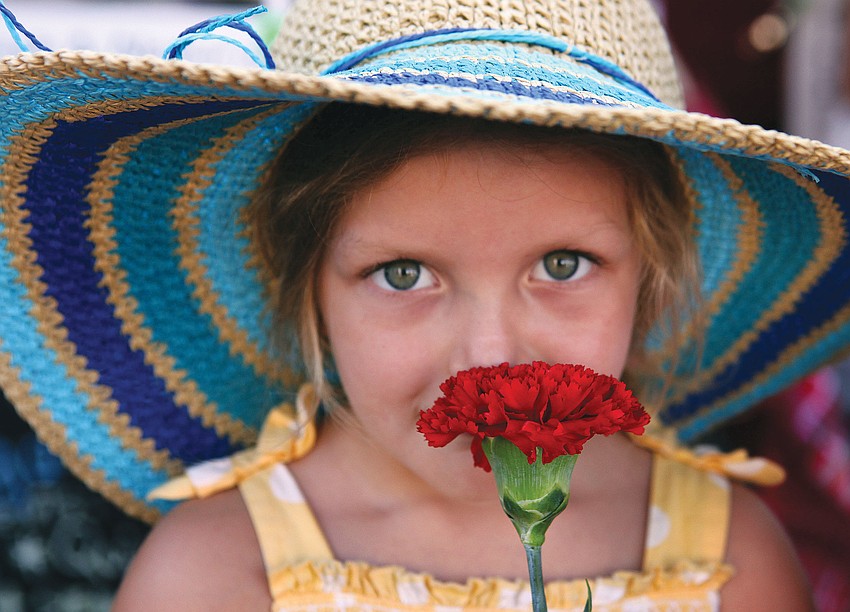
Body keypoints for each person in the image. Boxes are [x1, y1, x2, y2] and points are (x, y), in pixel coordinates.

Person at [0, 0, 848, 609]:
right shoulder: (218, 577)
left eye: (563, 263)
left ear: (651, 273)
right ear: (305, 285)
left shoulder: (732, 559)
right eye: (404, 275)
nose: (488, 353)